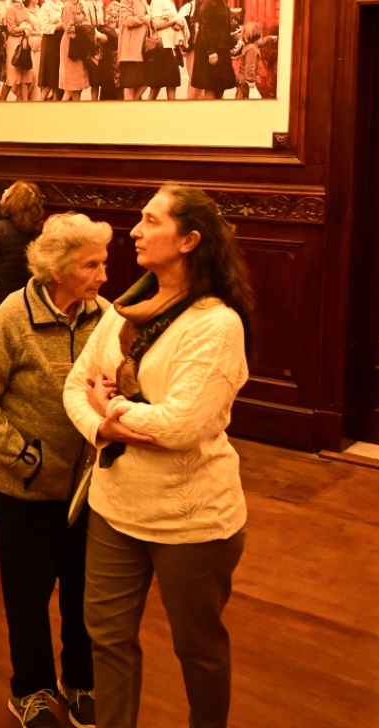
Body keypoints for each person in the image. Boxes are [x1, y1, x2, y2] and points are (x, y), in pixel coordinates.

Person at [63, 185, 251, 728]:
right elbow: (75, 385)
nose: (136, 231)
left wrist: (113, 407)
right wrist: (102, 426)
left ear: (189, 240)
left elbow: (181, 426)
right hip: (114, 507)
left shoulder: (216, 324)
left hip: (191, 522)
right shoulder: (124, 308)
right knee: (107, 638)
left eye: (151, 221)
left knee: (198, 649)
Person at [0, 213, 111, 728]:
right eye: (91, 265)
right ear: (57, 267)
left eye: (103, 263)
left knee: (83, 593)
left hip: (88, 489)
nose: (103, 275)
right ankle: (30, 689)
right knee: (27, 597)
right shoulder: (12, 317)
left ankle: (80, 681)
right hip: (24, 491)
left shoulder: (105, 317)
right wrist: (27, 458)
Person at [0, 181, 48, 311]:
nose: (5, 191)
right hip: (22, 304)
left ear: (12, 199)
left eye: (8, 190)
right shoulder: (39, 232)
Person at [189, 0, 238, 100]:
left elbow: (221, 22)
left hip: (221, 48)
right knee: (211, 87)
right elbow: (204, 26)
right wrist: (211, 51)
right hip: (211, 50)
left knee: (220, 87)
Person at [2, 0, 37, 102]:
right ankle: (2, 101)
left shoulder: (25, 9)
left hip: (25, 41)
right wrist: (23, 28)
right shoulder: (11, 10)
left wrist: (26, 30)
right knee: (12, 76)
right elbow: (11, 29)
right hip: (14, 43)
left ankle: (24, 102)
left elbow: (30, 24)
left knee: (26, 76)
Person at [118, 0, 150, 101]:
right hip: (130, 50)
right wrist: (144, 19)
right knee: (130, 86)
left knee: (145, 81)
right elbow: (127, 20)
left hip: (141, 48)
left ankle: (132, 105)